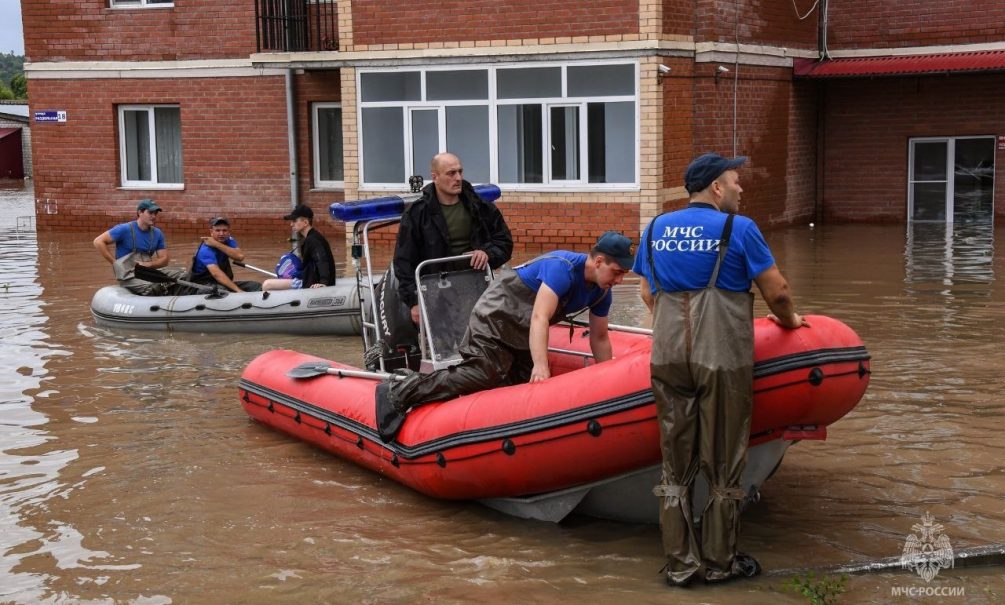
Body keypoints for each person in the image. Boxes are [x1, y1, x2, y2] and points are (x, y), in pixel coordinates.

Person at [633, 153, 807, 586]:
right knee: (723, 459)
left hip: (668, 355)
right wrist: (791, 323)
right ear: (716, 188)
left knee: (675, 462)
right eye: (735, 181)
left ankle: (679, 563)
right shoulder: (740, 229)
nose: (740, 188)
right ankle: (717, 563)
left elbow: (646, 293)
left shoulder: (655, 228)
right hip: (721, 356)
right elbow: (778, 292)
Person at [375, 231, 634, 443]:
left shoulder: (602, 291)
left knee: (520, 389)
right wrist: (541, 366)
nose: (620, 280)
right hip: (496, 316)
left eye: (624, 274)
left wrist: (608, 381)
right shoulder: (562, 268)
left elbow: (599, 339)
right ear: (599, 261)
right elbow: (540, 318)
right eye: (617, 272)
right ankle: (400, 391)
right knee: (483, 372)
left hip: (521, 332)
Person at [393, 152, 513, 326]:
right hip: (435, 291)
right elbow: (403, 261)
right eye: (451, 173)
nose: (458, 178)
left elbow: (505, 242)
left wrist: (487, 253)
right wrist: (413, 302)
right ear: (435, 177)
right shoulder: (417, 214)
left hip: (476, 287)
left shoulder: (481, 206)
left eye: (460, 172)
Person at [93, 198, 187, 296]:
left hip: (148, 272)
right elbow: (98, 242)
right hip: (129, 276)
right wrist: (114, 263)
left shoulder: (157, 233)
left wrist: (148, 265)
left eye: (155, 213)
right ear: (140, 212)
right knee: (155, 287)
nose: (154, 216)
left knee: (183, 275)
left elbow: (164, 259)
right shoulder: (124, 229)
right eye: (150, 213)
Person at [262, 204, 336, 291]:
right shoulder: (312, 237)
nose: (291, 224)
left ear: (305, 223)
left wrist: (323, 283)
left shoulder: (313, 240)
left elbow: (322, 260)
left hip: (312, 283)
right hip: (311, 279)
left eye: (294, 221)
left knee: (267, 284)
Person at [188, 217, 262, 293]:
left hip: (220, 283)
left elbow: (240, 257)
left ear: (228, 232)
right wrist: (238, 291)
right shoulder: (205, 250)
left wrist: (216, 244)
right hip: (201, 286)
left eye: (224, 230)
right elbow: (216, 274)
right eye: (218, 230)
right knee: (222, 291)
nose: (221, 234)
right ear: (211, 232)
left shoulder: (229, 240)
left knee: (255, 286)